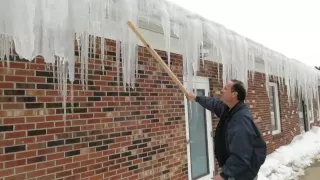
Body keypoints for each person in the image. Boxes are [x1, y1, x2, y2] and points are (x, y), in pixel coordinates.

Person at [187, 79, 267, 180]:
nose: (222, 90)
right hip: (235, 170)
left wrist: (224, 175)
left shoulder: (240, 120)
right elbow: (214, 104)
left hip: (241, 174)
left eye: (225, 88)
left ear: (234, 94)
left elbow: (241, 155)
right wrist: (196, 98)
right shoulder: (229, 109)